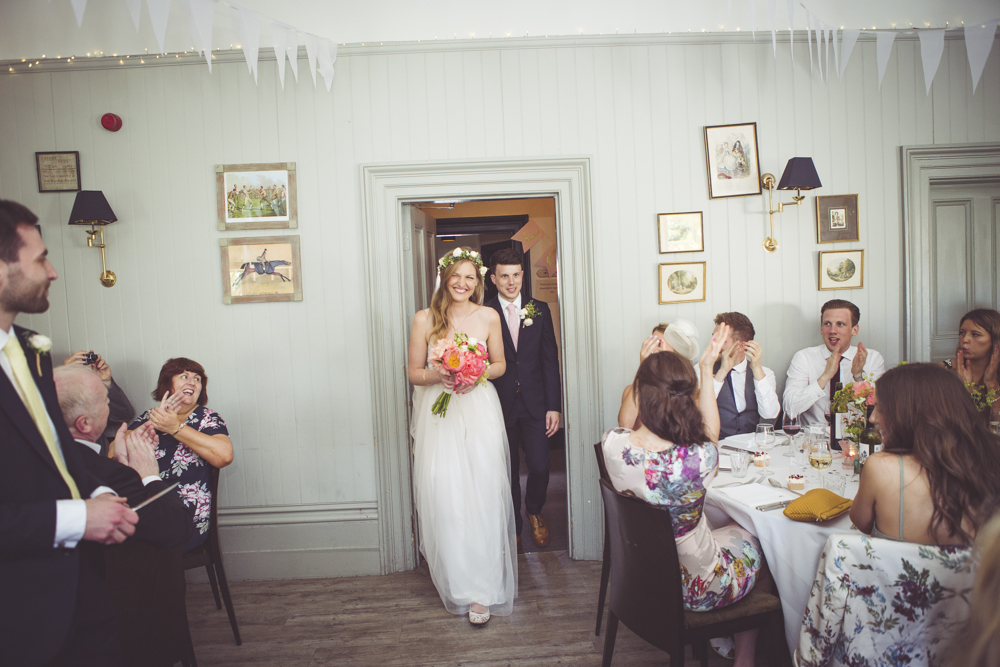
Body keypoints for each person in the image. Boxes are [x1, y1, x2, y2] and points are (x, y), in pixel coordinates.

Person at [0, 199, 138, 666]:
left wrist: (100, 492)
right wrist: (80, 518)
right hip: (18, 612)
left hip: (80, 593)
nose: (53, 271)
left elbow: (55, 449)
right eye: (40, 258)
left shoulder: (31, 350)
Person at [603, 325, 772, 667]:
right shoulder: (697, 459)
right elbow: (711, 432)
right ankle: (746, 658)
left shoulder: (613, 447)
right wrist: (708, 371)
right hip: (698, 588)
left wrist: (644, 367)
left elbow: (625, 421)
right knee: (765, 542)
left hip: (643, 578)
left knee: (728, 530)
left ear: (642, 393)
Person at [408, 247, 516, 626]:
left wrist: (476, 373)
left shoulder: (489, 316)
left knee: (483, 492)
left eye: (470, 277)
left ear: (479, 281)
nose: (462, 283)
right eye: (456, 275)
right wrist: (441, 375)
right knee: (448, 494)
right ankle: (459, 581)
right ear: (444, 277)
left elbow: (500, 364)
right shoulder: (425, 319)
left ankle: (483, 589)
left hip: (479, 409)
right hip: (441, 415)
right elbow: (414, 373)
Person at [850, 364, 1000, 545]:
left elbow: (861, 522)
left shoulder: (881, 467)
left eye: (880, 408)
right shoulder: (991, 459)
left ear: (910, 413)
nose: (872, 419)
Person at [54, 364, 192, 548]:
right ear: (84, 424)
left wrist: (117, 459)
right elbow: (177, 528)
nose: (108, 407)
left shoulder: (35, 459)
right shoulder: (111, 474)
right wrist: (148, 475)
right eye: (105, 402)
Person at [486, 248, 561, 550]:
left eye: (516, 275)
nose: (511, 281)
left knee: (541, 466)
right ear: (493, 279)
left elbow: (549, 361)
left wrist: (554, 405)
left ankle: (534, 511)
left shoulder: (539, 309)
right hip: (498, 403)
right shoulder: (485, 312)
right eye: (504, 276)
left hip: (535, 403)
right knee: (506, 469)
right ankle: (513, 525)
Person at [128, 358, 234, 552]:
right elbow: (113, 455)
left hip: (185, 516)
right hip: (145, 507)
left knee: (129, 543)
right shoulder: (148, 417)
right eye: (184, 376)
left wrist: (175, 427)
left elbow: (224, 456)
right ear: (167, 384)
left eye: (197, 379)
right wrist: (156, 422)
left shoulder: (207, 418)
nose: (192, 382)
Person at [783, 299, 886, 427]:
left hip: (854, 438)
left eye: (840, 324)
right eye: (827, 324)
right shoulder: (803, 357)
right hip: (814, 439)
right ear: (821, 328)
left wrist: (858, 376)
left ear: (854, 330)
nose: (832, 330)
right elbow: (790, 408)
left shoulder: (872, 358)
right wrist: (825, 376)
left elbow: (880, 409)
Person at [704, 312, 779, 439]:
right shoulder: (703, 370)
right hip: (718, 447)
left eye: (721, 340)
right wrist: (721, 373)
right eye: (713, 338)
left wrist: (757, 370)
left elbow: (770, 414)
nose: (713, 344)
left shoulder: (765, 373)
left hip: (755, 449)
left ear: (741, 346)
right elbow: (698, 413)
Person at [617, 320, 700, 429]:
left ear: (676, 352)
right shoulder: (631, 390)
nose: (653, 349)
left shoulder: (693, 394)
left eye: (659, 344)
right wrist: (643, 368)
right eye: (651, 343)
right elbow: (625, 425)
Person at [62, 349, 135, 456]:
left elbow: (124, 414)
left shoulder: (88, 402)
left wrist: (105, 382)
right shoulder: (47, 402)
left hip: (100, 463)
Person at [940, 308, 1000, 422]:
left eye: (975, 334)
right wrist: (965, 388)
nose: (965, 339)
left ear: (994, 340)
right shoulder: (944, 369)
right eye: (962, 333)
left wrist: (992, 384)